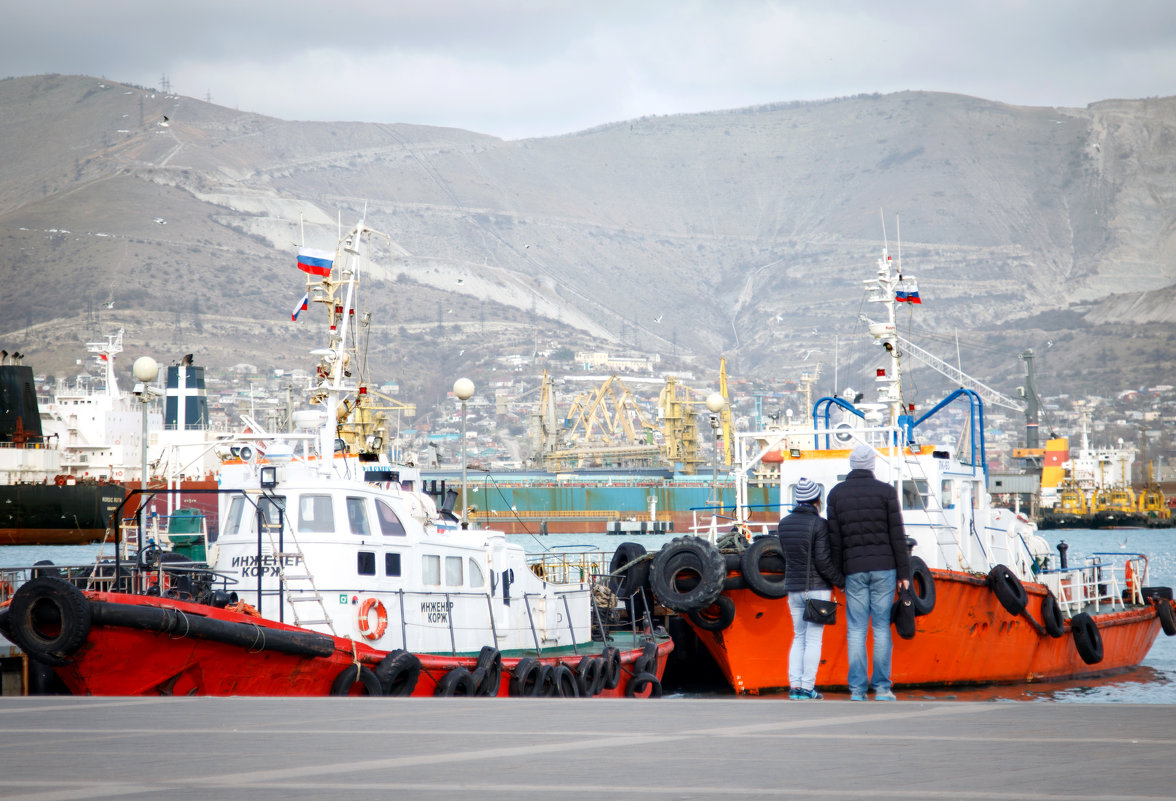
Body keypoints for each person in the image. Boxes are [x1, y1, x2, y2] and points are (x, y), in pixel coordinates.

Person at [826, 443, 911, 701]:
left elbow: (835, 540)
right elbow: (897, 534)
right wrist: (903, 573)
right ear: (872, 465)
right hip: (885, 568)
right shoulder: (885, 492)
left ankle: (857, 690)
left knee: (856, 630)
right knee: (882, 628)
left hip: (853, 570)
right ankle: (883, 689)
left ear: (852, 465)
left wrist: (838, 576)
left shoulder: (836, 494)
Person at [777, 477, 844, 700]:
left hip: (793, 589)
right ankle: (807, 688)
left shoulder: (784, 524)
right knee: (813, 639)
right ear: (817, 500)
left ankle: (795, 687)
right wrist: (840, 582)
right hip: (816, 589)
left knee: (798, 637)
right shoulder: (819, 524)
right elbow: (823, 562)